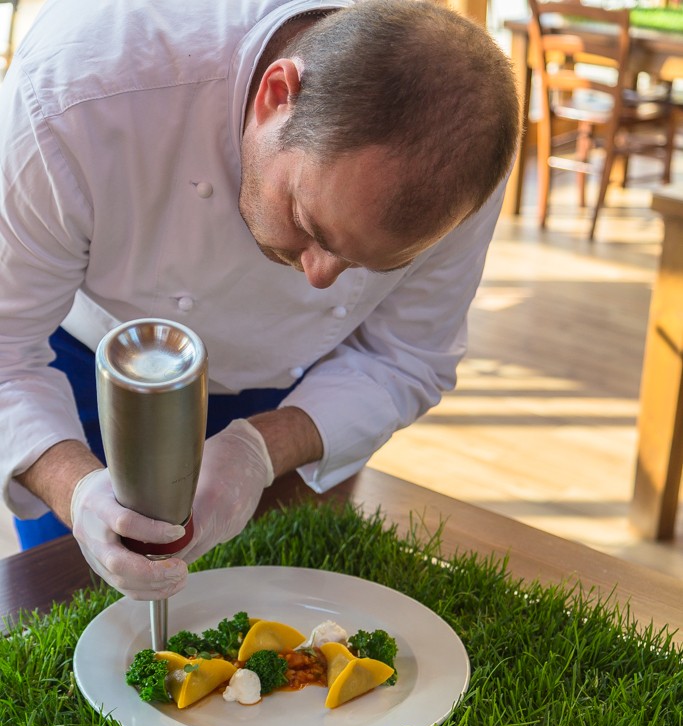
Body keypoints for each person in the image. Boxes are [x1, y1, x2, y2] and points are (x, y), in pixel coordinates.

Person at [0, 0, 519, 601]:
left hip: (302, 389)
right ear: (277, 95)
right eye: (308, 221)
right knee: (74, 607)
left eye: (367, 265)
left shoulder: (462, 160)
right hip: (90, 377)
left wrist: (260, 449)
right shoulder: (74, 95)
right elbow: (5, 352)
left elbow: (405, 357)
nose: (318, 278)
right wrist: (76, 491)